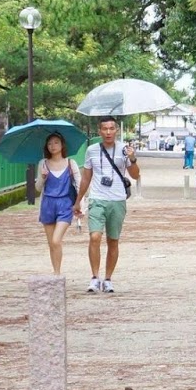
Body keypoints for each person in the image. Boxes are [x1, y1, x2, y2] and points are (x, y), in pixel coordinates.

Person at [75, 115, 139, 294]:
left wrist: (132, 158)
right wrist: (78, 200)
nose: (108, 132)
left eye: (111, 128)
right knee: (95, 236)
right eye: (105, 129)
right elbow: (86, 177)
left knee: (113, 240)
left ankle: (108, 278)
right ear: (100, 131)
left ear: (116, 130)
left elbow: (135, 175)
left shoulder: (124, 150)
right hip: (97, 198)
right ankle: (95, 277)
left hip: (117, 199)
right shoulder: (92, 150)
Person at [35, 132, 80, 275]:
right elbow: (38, 188)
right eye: (49, 143)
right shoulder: (43, 164)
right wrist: (42, 177)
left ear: (62, 145)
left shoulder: (70, 163)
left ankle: (57, 274)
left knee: (56, 240)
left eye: (56, 142)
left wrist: (80, 206)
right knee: (51, 243)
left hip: (65, 205)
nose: (52, 146)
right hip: (48, 204)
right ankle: (56, 272)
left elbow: (79, 185)